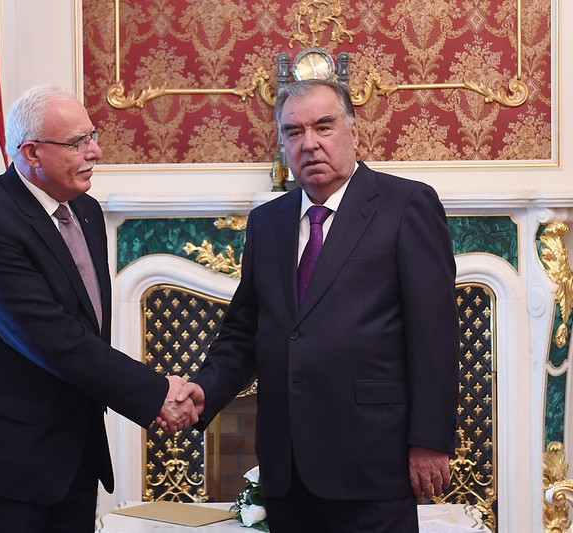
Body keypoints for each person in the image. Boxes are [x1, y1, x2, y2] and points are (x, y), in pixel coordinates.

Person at [174, 79, 459, 533]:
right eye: (294, 132)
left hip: (375, 461)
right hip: (287, 468)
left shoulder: (406, 205)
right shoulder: (267, 222)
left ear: (354, 132)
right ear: (283, 144)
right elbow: (244, 333)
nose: (309, 143)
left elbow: (435, 335)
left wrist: (429, 441)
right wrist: (203, 391)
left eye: (324, 127)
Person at [0, 86, 196, 533]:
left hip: (73, 453)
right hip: (3, 462)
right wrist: (155, 393)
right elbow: (51, 337)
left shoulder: (85, 210)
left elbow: (85, 327)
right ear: (32, 152)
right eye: (77, 142)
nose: (95, 151)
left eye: (92, 136)